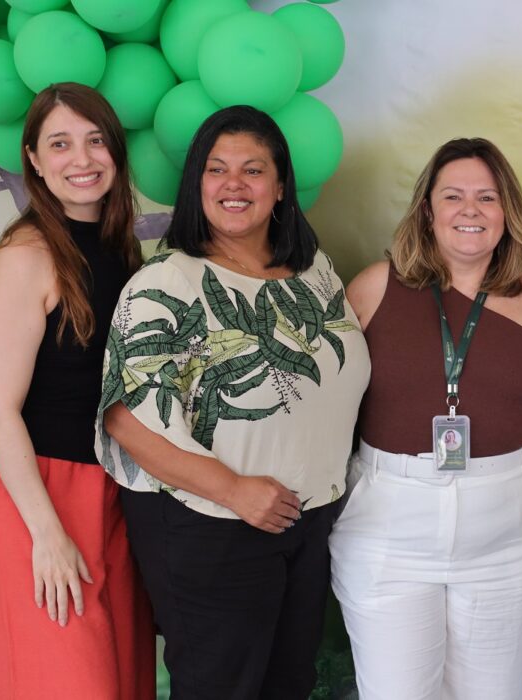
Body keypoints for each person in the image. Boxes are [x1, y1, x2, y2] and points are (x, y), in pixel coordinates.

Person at [96, 105, 370, 698]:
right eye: (216, 169)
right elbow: (125, 417)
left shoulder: (314, 271)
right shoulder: (167, 282)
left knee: (288, 683)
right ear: (196, 184)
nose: (234, 184)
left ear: (280, 186)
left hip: (307, 519)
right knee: (222, 687)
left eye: (253, 169)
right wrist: (234, 490)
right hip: (214, 522)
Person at [329, 137, 522, 699]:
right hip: (389, 532)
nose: (470, 210)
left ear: (507, 212)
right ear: (427, 210)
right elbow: (324, 402)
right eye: (453, 196)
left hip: (506, 537)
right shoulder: (373, 288)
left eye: (487, 197)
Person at [0, 82, 154, 699]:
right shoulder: (25, 257)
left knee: (123, 676)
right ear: (32, 158)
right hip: (38, 487)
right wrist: (46, 533)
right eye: (60, 144)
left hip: (111, 482)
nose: (82, 159)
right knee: (67, 680)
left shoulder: (121, 250)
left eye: (95, 140)